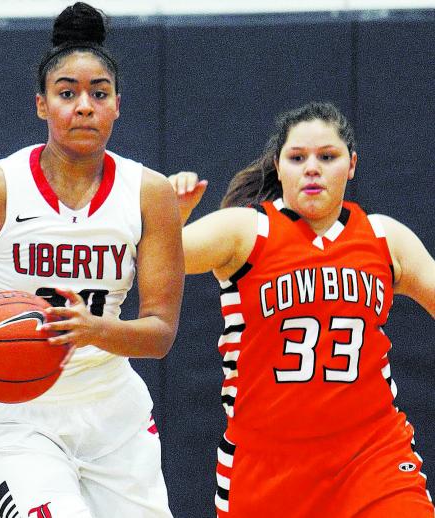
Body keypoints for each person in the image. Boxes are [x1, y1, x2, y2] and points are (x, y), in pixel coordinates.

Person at [0, 4, 184, 518]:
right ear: (41, 104)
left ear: (117, 105)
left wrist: (92, 329)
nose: (84, 106)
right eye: (67, 93)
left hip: (113, 415)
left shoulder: (149, 193)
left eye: (99, 93)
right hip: (15, 415)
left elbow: (160, 333)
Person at [169, 101, 435, 517]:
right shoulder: (246, 230)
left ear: (351, 165)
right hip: (267, 464)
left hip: (370, 454)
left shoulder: (385, 238)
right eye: (298, 158)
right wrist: (173, 215)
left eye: (327, 157)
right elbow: (159, 262)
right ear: (278, 166)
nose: (312, 168)